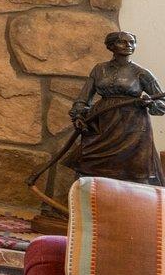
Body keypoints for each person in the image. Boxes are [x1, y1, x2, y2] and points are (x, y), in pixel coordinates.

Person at [66, 31, 165, 184]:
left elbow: (162, 103)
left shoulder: (142, 73)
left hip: (132, 127)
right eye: (123, 42)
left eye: (132, 42)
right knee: (88, 162)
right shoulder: (99, 69)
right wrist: (78, 116)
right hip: (101, 122)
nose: (129, 45)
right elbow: (83, 98)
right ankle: (85, 200)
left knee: (132, 167)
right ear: (111, 46)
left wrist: (150, 103)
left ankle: (132, 203)